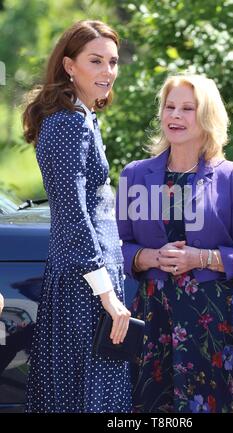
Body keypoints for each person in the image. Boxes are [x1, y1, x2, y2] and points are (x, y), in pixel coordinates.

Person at [116, 74, 233, 413]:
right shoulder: (134, 175)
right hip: (152, 319)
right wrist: (150, 257)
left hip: (213, 323)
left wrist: (201, 258)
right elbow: (117, 246)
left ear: (207, 117)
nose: (175, 116)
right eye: (170, 107)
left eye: (187, 108)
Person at [22, 20, 131, 413]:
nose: (108, 72)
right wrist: (108, 296)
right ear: (70, 66)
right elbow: (73, 215)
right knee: (89, 401)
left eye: (113, 62)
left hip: (90, 281)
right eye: (96, 61)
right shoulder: (68, 123)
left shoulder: (82, 117)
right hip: (85, 288)